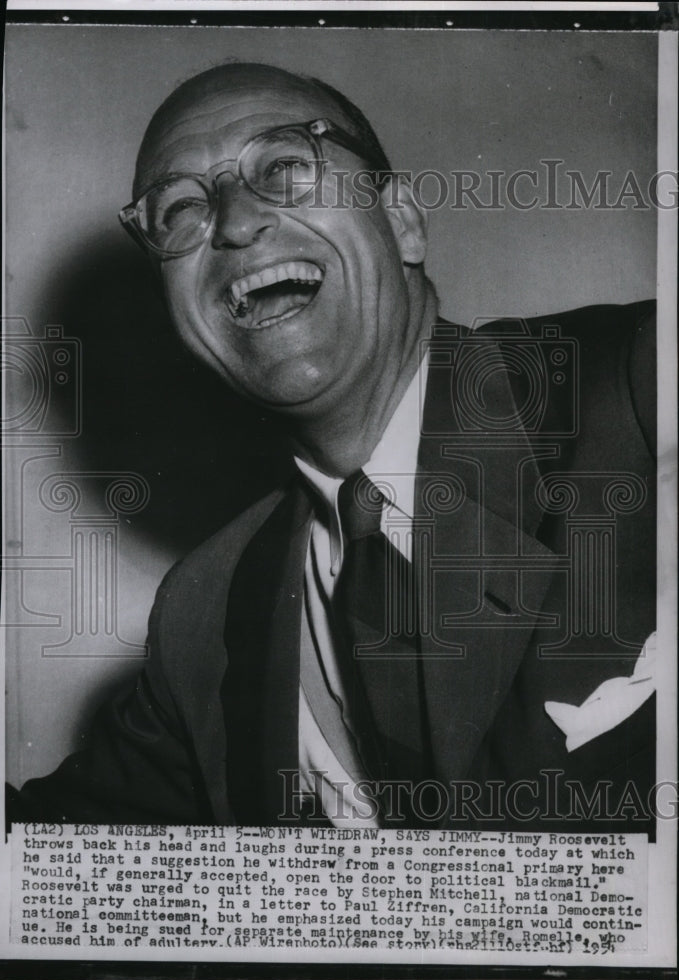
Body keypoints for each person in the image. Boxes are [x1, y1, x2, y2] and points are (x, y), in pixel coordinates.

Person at [7, 62, 656, 830]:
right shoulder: (204, 615)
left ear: (404, 222)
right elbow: (44, 854)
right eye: (180, 207)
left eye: (283, 165)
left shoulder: (639, 387)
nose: (237, 222)